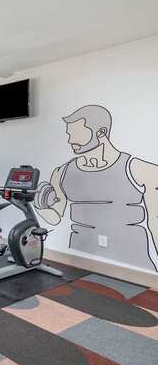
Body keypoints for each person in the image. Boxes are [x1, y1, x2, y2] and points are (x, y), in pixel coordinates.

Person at [35, 105, 158, 272]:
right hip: (78, 257)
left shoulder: (140, 169)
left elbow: (156, 222)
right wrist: (37, 204)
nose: (71, 140)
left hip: (134, 260)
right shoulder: (62, 172)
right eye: (69, 134)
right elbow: (55, 217)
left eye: (77, 134)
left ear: (101, 133)